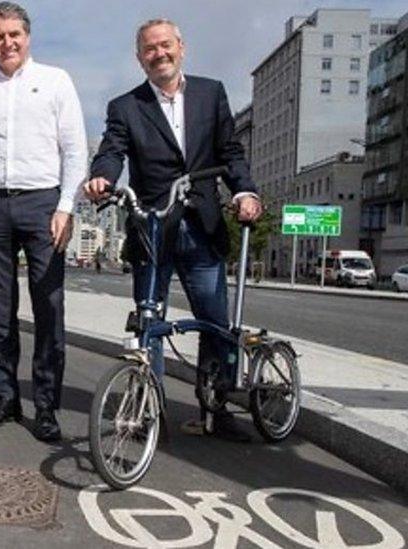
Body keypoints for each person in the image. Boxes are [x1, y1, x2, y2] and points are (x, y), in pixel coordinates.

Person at [84, 18, 262, 441]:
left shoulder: (210, 93)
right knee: (150, 323)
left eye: (165, 45)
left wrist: (246, 192)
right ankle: (150, 412)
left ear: (181, 47)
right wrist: (101, 178)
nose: (159, 54)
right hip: (152, 227)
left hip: (201, 223)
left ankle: (216, 410)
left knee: (215, 322)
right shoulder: (125, 107)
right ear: (139, 57)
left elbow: (230, 152)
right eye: (150, 49)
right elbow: (112, 151)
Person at [0, 2, 87, 441]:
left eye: (14, 35)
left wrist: (66, 206)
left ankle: (46, 406)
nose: (6, 43)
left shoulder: (55, 82)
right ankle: (5, 398)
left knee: (49, 309)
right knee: (0, 312)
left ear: (27, 36)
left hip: (44, 205)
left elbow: (75, 150)